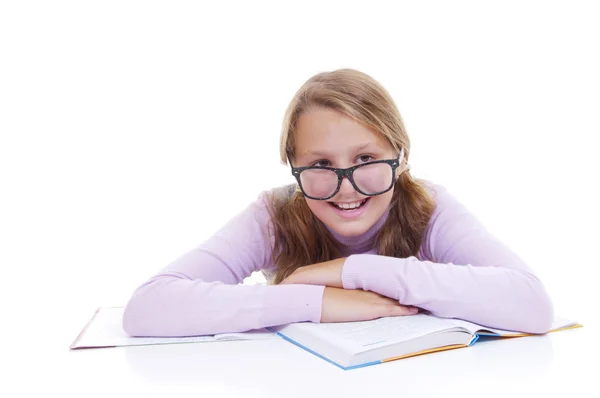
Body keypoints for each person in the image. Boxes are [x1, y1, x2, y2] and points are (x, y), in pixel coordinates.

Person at [122, 69, 554, 337]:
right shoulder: (274, 214)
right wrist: (316, 302)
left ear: (401, 156)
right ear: (292, 166)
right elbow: (148, 308)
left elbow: (532, 305)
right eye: (321, 164)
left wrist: (352, 271)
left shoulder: (428, 207)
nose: (346, 188)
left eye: (365, 159)